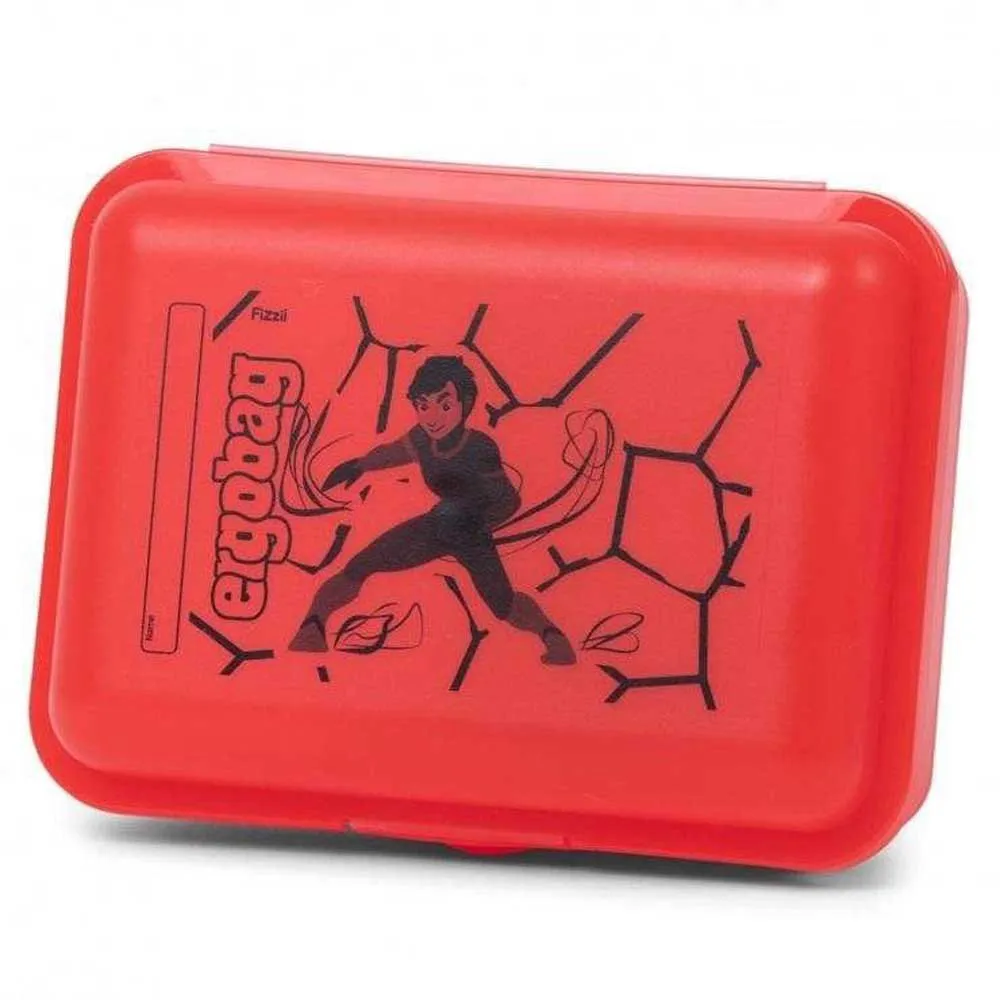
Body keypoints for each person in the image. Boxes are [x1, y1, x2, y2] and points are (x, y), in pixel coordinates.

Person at [289, 355, 576, 665]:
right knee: (361, 564)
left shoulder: (479, 447)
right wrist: (359, 465)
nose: (433, 416)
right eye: (423, 406)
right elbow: (393, 453)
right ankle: (311, 631)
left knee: (503, 604)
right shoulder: (423, 438)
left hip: (471, 535)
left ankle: (554, 639)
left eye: (445, 404)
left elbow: (509, 501)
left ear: (466, 403)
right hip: (436, 527)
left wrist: (476, 521)